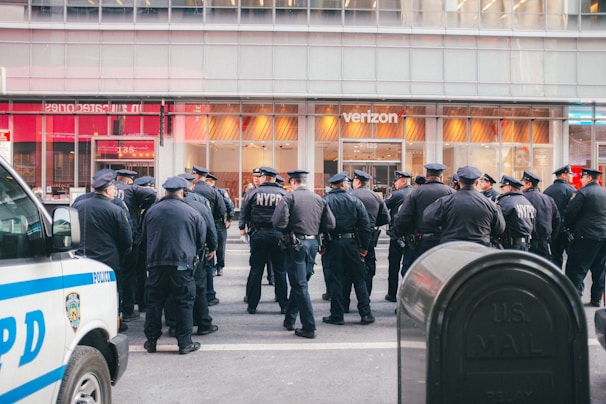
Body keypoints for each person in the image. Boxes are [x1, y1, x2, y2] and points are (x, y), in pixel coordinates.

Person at [142, 176, 206, 355]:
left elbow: (144, 238)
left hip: (156, 265)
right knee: (184, 303)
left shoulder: (152, 211)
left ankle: (152, 341)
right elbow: (201, 241)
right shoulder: (192, 212)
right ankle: (184, 343)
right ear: (182, 192)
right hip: (182, 266)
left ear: (165, 191)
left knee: (154, 304)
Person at [272, 169, 335, 339]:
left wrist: (288, 230)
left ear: (292, 181)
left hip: (296, 244)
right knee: (300, 282)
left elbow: (278, 222)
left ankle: (309, 326)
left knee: (299, 285)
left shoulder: (289, 198)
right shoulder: (318, 199)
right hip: (312, 243)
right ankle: (290, 319)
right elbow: (330, 223)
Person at [72, 172, 133, 332]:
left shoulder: (78, 206)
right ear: (107, 190)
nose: (114, 192)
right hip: (108, 260)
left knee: (85, 294)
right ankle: (114, 322)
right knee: (111, 294)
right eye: (113, 188)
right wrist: (122, 253)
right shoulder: (115, 210)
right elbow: (126, 239)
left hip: (82, 258)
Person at [322, 172, 375, 326]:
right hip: (351, 244)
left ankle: (337, 315)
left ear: (333, 185)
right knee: (359, 279)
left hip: (332, 245)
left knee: (335, 280)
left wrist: (322, 245)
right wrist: (364, 247)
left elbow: (320, 225)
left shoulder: (325, 200)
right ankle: (366, 314)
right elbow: (365, 226)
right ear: (344, 185)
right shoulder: (355, 200)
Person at [239, 166, 288, 315]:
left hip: (258, 234)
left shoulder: (254, 193)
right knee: (280, 271)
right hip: (278, 235)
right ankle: (283, 305)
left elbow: (244, 212)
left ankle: (252, 305)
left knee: (256, 270)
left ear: (264, 178)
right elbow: (288, 215)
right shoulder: (283, 194)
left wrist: (242, 227)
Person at [114, 169, 157, 322]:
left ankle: (117, 309)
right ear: (130, 180)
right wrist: (141, 205)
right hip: (131, 236)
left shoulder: (110, 190)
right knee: (131, 274)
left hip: (111, 241)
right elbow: (152, 195)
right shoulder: (131, 189)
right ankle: (129, 308)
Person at [423, 166, 505, 246]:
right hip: (480, 249)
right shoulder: (489, 204)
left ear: (459, 182)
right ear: (476, 183)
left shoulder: (446, 201)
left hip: (452, 248)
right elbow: (500, 228)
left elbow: (428, 218)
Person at [180, 173, 219, 336]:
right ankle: (203, 322)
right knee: (199, 287)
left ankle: (175, 324)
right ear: (192, 186)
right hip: (195, 252)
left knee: (175, 290)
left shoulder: (159, 205)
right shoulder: (200, 204)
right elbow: (210, 227)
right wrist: (212, 247)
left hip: (170, 254)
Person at [564, 167, 606, 307]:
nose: (581, 180)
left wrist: (569, 228)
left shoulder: (583, 193)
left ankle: (573, 299)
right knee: (599, 269)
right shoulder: (604, 192)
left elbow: (570, 213)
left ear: (588, 178)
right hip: (603, 236)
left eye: (582, 177)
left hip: (585, 236)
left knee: (576, 267)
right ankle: (596, 299)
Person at [393, 163, 455, 256]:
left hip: (421, 241)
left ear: (426, 177)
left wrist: (403, 233)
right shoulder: (452, 193)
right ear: (441, 177)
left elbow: (403, 216)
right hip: (445, 241)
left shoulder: (415, 193)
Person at [349, 169, 389, 299]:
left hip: (352, 236)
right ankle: (366, 296)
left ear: (357, 181)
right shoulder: (375, 196)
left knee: (348, 269)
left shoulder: (351, 195)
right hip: (369, 236)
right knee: (368, 268)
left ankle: (345, 301)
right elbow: (385, 218)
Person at [192, 165, 225, 306]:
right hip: (208, 227)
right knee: (208, 264)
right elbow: (222, 209)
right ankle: (210, 295)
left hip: (191, 228)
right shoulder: (213, 191)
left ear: (196, 176)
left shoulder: (191, 190)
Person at [384, 170, 414, 302]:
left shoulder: (397, 195)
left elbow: (383, 207)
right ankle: (407, 295)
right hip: (412, 236)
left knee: (394, 266)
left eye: (396, 181)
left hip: (397, 235)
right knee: (409, 267)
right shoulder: (415, 192)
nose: (395, 184)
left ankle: (392, 293)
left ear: (402, 181)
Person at [520, 170, 560, 261]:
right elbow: (557, 220)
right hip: (544, 242)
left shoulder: (522, 198)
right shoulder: (549, 199)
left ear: (528, 184)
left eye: (522, 183)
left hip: (527, 242)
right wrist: (551, 238)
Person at [544, 165, 577, 268]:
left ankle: (555, 281)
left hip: (553, 230)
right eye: (570, 174)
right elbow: (574, 211)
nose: (571, 176)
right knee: (573, 259)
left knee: (555, 258)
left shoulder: (547, 190)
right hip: (567, 230)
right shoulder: (571, 190)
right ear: (563, 175)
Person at [495, 175, 535, 251]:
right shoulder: (527, 202)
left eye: (503, 186)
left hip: (510, 245)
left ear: (510, 187)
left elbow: (498, 223)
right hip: (525, 245)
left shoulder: (506, 201)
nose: (501, 189)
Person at [206, 173, 235, 277]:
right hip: (211, 221)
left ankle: (220, 266)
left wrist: (229, 219)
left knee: (220, 246)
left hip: (219, 223)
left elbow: (229, 205)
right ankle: (212, 267)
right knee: (211, 245)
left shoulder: (220, 192)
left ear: (212, 182)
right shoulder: (204, 192)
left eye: (207, 181)